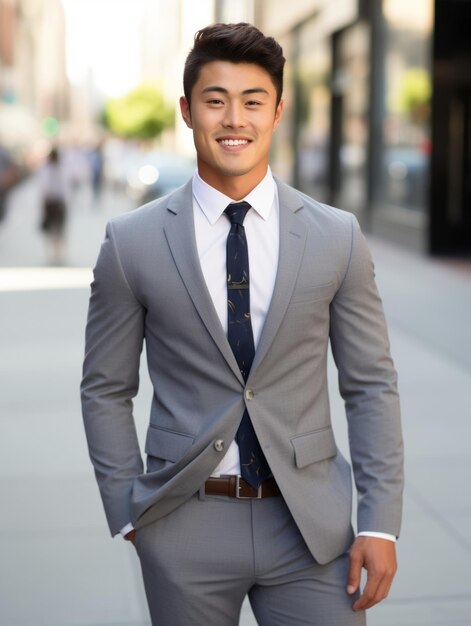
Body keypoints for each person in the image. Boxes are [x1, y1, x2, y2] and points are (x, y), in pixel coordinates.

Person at [81, 23, 403, 626]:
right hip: (184, 522)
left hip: (310, 528)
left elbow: (371, 384)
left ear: (277, 111)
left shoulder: (337, 236)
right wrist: (128, 509)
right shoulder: (131, 243)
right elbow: (105, 386)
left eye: (253, 101)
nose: (235, 119)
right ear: (187, 110)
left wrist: (381, 521)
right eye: (215, 99)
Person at [39, 147, 68, 264]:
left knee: (51, 227)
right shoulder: (62, 169)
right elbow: (66, 189)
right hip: (59, 202)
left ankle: (52, 252)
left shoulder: (46, 170)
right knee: (59, 227)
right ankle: (57, 252)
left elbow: (44, 187)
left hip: (51, 202)